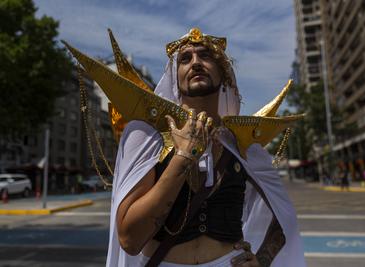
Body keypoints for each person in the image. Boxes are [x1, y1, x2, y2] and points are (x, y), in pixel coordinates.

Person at [68, 28, 305, 267]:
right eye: (185, 58)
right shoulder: (148, 136)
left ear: (224, 73)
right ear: (175, 76)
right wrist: (183, 156)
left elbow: (284, 221)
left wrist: (262, 260)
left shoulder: (240, 143)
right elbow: (129, 239)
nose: (196, 63)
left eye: (205, 56)